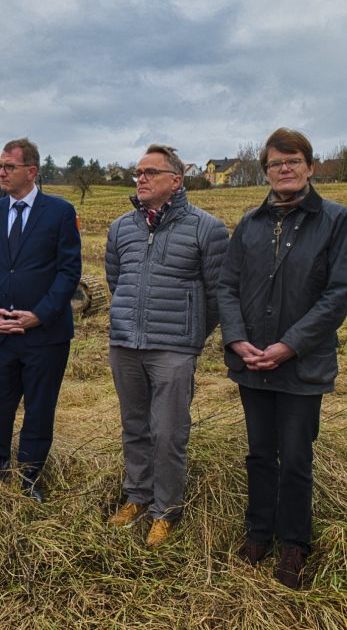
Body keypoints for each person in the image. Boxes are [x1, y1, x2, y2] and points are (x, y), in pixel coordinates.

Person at [217, 128, 347, 589]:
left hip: (301, 365)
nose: (284, 169)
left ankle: (294, 542)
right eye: (275, 163)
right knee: (258, 453)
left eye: (293, 161)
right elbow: (227, 288)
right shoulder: (250, 225)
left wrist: (290, 344)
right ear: (266, 171)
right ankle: (258, 531)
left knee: (294, 456)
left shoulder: (335, 221)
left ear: (310, 167)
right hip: (252, 364)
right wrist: (236, 340)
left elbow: (338, 295)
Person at [105, 145, 228, 545]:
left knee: (169, 432)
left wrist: (190, 334)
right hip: (125, 345)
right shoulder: (121, 228)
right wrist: (128, 322)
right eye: (137, 172)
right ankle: (137, 496)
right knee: (134, 427)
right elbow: (115, 280)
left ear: (175, 181)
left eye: (150, 172)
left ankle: (166, 509)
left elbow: (217, 294)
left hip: (174, 348)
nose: (140, 178)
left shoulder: (206, 228)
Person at [0, 138, 82, 503]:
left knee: (38, 411)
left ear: (30, 172)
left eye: (8, 167)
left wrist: (38, 315)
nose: (0, 173)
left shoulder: (59, 212)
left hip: (44, 338)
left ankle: (29, 478)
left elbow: (68, 273)